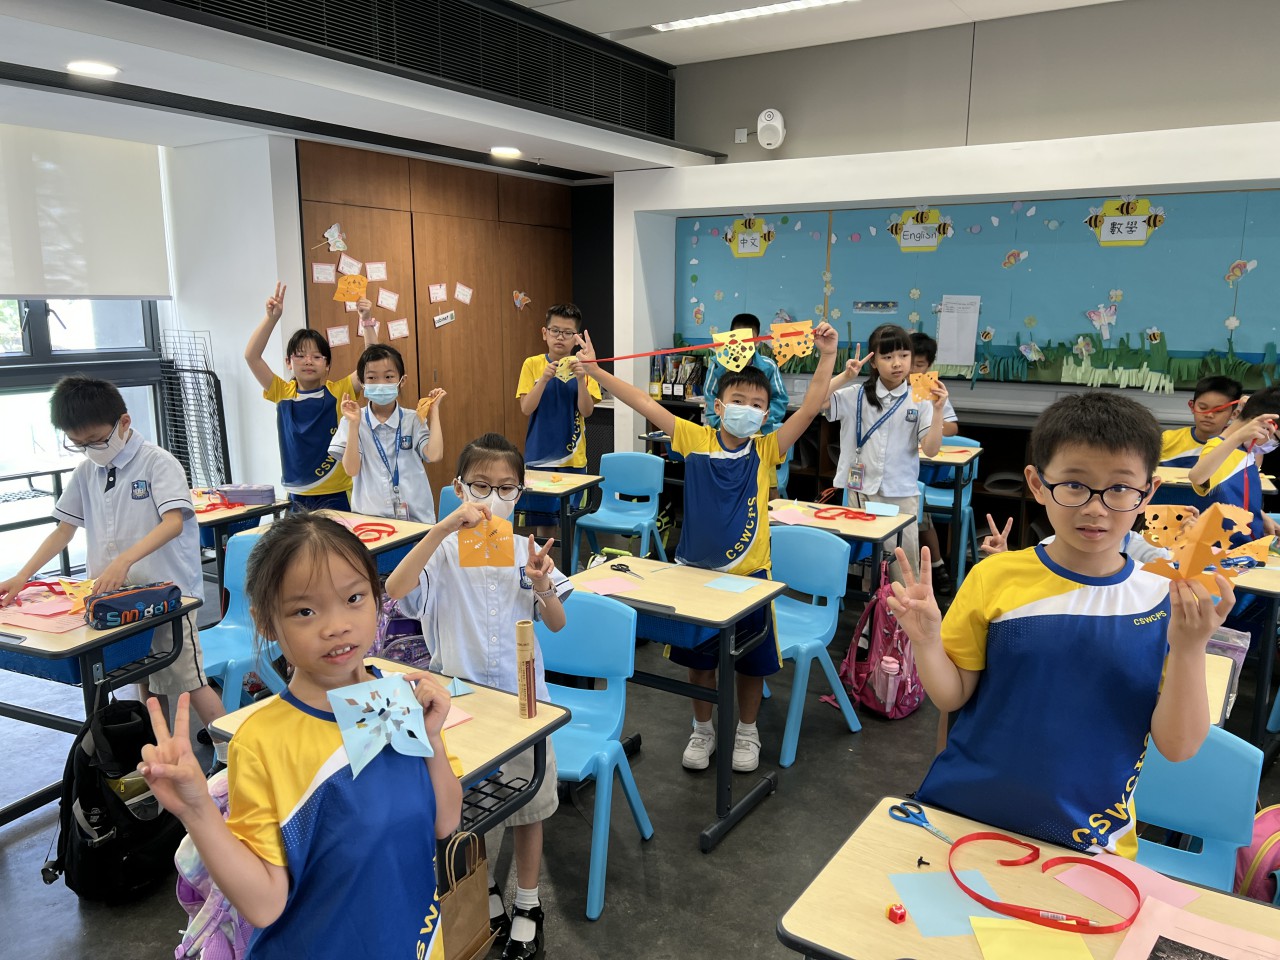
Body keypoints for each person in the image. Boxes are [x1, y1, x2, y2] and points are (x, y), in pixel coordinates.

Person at [888, 392, 1235, 857]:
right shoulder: (996, 576)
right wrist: (927, 642)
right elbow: (952, 697)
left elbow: (1179, 746)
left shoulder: (1165, 596)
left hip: (1090, 839)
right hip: (966, 811)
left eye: (1119, 488)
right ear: (1037, 483)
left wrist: (1191, 648)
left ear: (1148, 493)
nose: (1096, 508)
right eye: (1074, 484)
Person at [137, 513, 462, 958]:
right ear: (267, 623)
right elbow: (265, 905)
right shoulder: (263, 741)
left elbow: (444, 822)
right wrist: (197, 811)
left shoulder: (395, 700)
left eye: (354, 597)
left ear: (376, 596)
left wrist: (433, 741)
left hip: (413, 940)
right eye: (305, 611)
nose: (336, 626)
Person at [575, 322, 840, 773]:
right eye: (738, 400)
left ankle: (747, 731)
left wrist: (828, 355)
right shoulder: (694, 440)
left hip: (750, 580)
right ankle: (703, 729)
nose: (747, 410)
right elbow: (643, 402)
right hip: (694, 578)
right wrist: (596, 372)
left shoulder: (767, 449)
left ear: (766, 414)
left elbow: (813, 404)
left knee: (751, 665)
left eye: (757, 405)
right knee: (699, 663)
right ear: (718, 406)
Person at [386, 433, 569, 960]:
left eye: (506, 488)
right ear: (459, 487)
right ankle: (484, 886)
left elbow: (557, 622)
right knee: (469, 807)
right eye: (481, 486)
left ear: (520, 493)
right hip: (459, 705)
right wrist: (443, 526)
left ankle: (529, 901)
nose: (493, 497)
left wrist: (541, 584)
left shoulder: (526, 551)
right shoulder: (442, 552)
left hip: (523, 702)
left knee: (530, 804)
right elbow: (395, 590)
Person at [0, 375, 226, 729]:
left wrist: (124, 560)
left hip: (168, 597)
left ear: (123, 422)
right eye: (78, 443)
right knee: (144, 678)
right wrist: (22, 576)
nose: (89, 449)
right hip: (117, 601)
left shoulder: (157, 463)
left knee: (189, 682)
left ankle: (234, 753)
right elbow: (63, 530)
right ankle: (161, 747)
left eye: (95, 440)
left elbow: (172, 523)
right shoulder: (86, 471)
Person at [823, 323, 948, 578]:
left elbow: (932, 450)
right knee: (869, 571)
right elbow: (817, 401)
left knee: (903, 572)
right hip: (861, 493)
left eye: (904, 355)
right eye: (887, 357)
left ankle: (902, 606)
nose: (897, 363)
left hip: (900, 496)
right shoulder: (856, 394)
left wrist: (938, 412)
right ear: (873, 361)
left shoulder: (920, 398)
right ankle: (874, 606)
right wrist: (845, 376)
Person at [244, 282, 380, 511]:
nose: (308, 361)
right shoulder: (282, 393)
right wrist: (271, 319)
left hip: (338, 493)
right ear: (288, 362)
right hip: (297, 494)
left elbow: (373, 363)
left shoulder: (340, 391)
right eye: (300, 355)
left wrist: (366, 321)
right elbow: (251, 356)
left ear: (327, 365)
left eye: (317, 357)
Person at [331, 343, 445, 523]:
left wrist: (434, 411)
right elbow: (351, 469)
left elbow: (434, 454)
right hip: (370, 520)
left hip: (415, 518)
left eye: (389, 376)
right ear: (362, 382)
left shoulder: (412, 419)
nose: (381, 383)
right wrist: (354, 425)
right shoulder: (351, 420)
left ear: (402, 381)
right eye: (372, 378)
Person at [515, 303, 600, 540]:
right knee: (544, 522)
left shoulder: (585, 367)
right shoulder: (532, 364)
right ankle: (545, 561)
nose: (560, 337)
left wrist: (581, 379)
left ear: (576, 338)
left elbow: (587, 411)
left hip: (573, 456)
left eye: (567, 333)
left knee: (571, 519)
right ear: (545, 333)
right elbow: (526, 408)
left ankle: (569, 560)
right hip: (539, 457)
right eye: (555, 331)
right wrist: (543, 379)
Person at [1188, 385, 1280, 545]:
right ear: (1265, 425)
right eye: (1276, 439)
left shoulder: (1246, 451)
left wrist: (1260, 516)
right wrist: (1238, 436)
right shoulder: (1220, 448)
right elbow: (1197, 476)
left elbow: (1236, 497)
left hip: (1246, 546)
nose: (1273, 445)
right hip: (1222, 550)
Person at [911, 331, 960, 591]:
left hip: (923, 469)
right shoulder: (890, 387)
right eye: (909, 362)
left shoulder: (930, 390)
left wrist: (932, 426)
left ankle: (936, 565)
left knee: (921, 510)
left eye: (919, 365)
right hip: (900, 470)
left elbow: (953, 427)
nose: (912, 369)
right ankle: (935, 565)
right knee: (920, 510)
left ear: (928, 366)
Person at [1155, 375, 1244, 511]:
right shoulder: (1166, 439)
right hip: (1163, 512)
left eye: (1218, 411)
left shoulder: (1238, 448)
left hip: (1213, 515)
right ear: (1192, 406)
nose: (1209, 415)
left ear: (1234, 414)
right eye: (1203, 408)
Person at [703, 313, 789, 434]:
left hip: (760, 430)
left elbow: (780, 400)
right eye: (737, 339)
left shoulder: (769, 367)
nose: (741, 344)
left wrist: (759, 421)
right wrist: (721, 424)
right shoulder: (718, 364)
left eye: (748, 340)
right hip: (724, 430)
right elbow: (710, 397)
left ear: (757, 341)